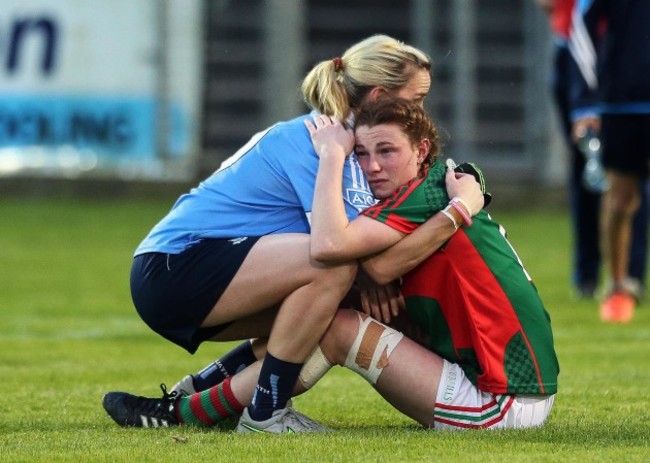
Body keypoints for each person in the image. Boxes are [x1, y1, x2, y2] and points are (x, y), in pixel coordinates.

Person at [102, 35, 486, 433]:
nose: (423, 109)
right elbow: (338, 249)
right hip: (176, 266)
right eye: (417, 98)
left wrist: (370, 276)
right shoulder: (319, 141)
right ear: (379, 95)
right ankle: (267, 412)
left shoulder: (346, 144)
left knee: (325, 308)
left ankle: (196, 396)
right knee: (330, 271)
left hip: (193, 268)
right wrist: (457, 211)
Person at [535, 0, 648, 300]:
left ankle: (631, 277)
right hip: (619, 92)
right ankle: (611, 281)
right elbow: (573, 20)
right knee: (615, 191)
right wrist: (585, 99)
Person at [569, 0, 650, 322]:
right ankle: (616, 287)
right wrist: (586, 101)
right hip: (622, 101)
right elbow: (581, 26)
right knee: (620, 199)